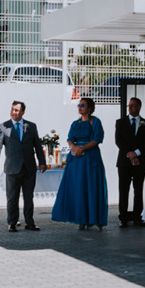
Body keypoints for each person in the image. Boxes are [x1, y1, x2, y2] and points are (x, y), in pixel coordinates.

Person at [51, 97, 108, 230]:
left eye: (82, 105)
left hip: (90, 158)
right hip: (76, 160)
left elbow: (97, 139)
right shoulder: (74, 124)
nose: (80, 107)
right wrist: (73, 147)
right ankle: (80, 219)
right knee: (79, 188)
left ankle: (96, 219)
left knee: (92, 187)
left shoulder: (96, 122)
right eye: (79, 105)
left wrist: (83, 148)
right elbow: (70, 138)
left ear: (89, 108)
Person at [0, 100, 48, 232]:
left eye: (16, 110)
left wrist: (42, 162)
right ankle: (12, 222)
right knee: (12, 197)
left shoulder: (31, 126)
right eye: (12, 109)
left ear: (22, 112)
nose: (13, 112)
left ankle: (30, 222)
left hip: (29, 168)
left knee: (29, 197)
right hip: (12, 168)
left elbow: (38, 146)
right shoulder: (3, 127)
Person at [114, 96, 145, 227]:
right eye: (129, 105)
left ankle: (137, 216)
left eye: (133, 105)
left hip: (140, 162)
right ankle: (123, 217)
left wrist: (137, 153)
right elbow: (119, 141)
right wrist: (130, 154)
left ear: (139, 107)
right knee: (123, 190)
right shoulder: (120, 122)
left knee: (138, 189)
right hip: (124, 162)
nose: (130, 107)